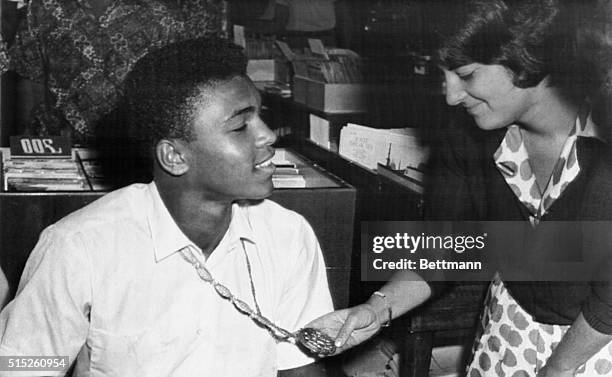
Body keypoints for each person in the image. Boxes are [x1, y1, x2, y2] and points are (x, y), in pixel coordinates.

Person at [308, 1, 612, 376]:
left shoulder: (604, 136)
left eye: (466, 74)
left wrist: (558, 367)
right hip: (511, 329)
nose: (451, 95)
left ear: (527, 55)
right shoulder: (470, 135)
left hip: (595, 345)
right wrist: (376, 309)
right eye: (443, 73)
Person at [0, 37, 333, 377]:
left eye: (261, 117)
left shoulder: (288, 235)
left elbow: (300, 368)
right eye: (240, 126)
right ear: (174, 156)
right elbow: (23, 366)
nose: (267, 136)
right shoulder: (79, 246)